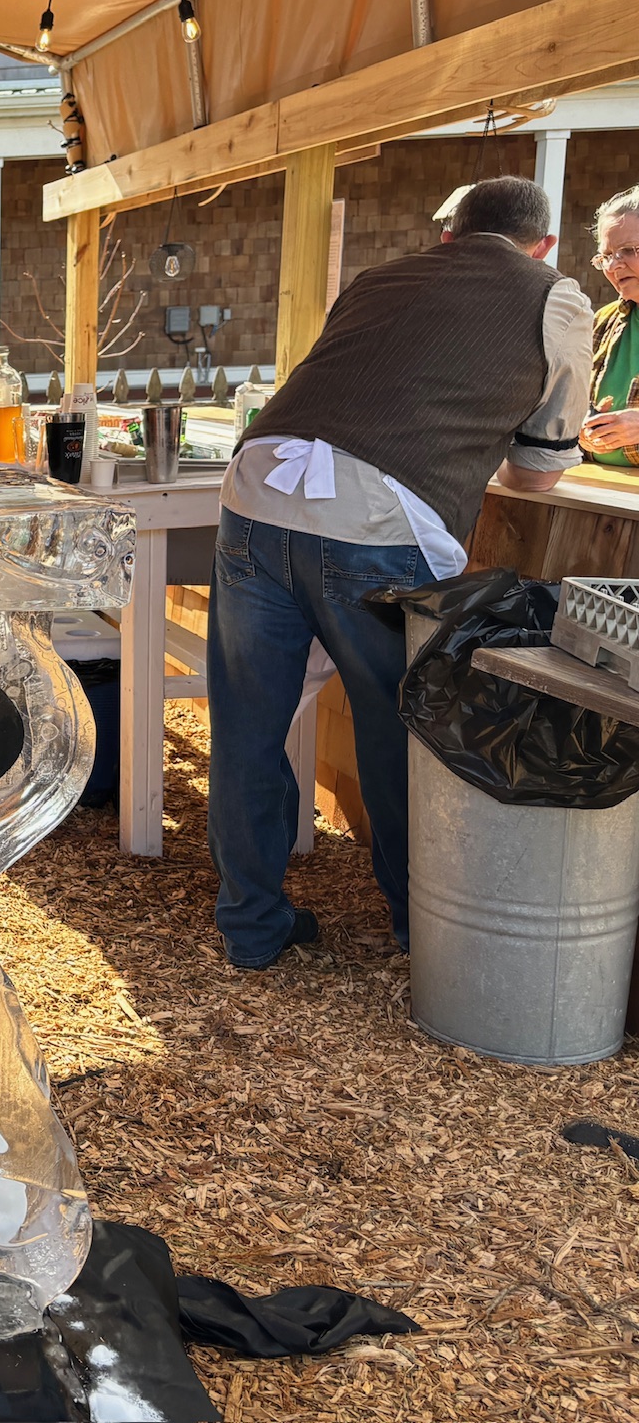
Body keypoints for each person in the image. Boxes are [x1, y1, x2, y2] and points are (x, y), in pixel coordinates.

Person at [206, 176, 591, 969]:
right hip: (380, 518)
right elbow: (539, 473)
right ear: (542, 244)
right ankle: (423, 933)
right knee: (400, 726)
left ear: (448, 235)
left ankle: (251, 928)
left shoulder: (379, 278)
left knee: (248, 723)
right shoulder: (557, 298)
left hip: (257, 486)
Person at [572, 187, 639, 464]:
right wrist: (583, 424)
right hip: (601, 492)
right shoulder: (602, 321)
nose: (613, 266)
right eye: (606, 256)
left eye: (627, 251)